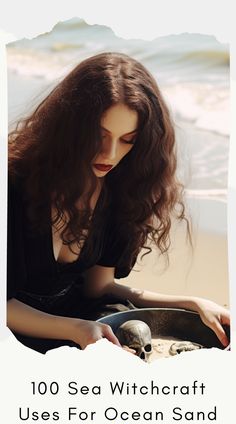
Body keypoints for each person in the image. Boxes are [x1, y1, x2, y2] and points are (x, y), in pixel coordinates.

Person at [7, 52, 230, 354]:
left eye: (128, 139)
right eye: (99, 135)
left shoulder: (121, 192)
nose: (110, 154)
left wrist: (190, 302)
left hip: (79, 324)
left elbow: (99, 288)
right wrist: (76, 330)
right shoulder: (13, 182)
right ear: (71, 128)